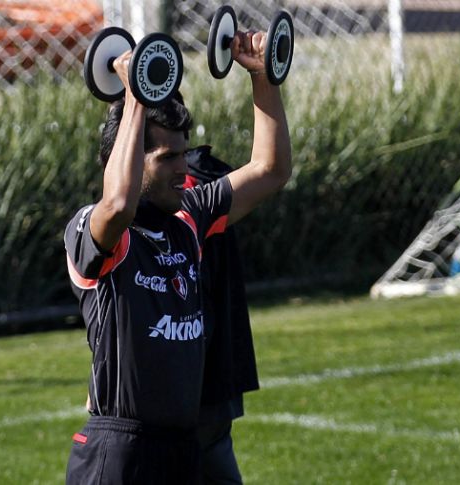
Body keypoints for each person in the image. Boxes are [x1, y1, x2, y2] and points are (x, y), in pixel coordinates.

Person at [63, 29, 291, 485]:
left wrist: (263, 79)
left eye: (183, 154)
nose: (183, 169)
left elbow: (271, 170)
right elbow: (119, 203)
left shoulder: (190, 216)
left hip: (182, 447)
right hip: (120, 451)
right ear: (125, 158)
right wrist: (136, 98)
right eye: (168, 158)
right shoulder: (95, 228)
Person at [184, 146, 259, 485]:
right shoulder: (203, 184)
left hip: (189, 383)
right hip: (211, 374)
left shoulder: (185, 194)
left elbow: (271, 169)